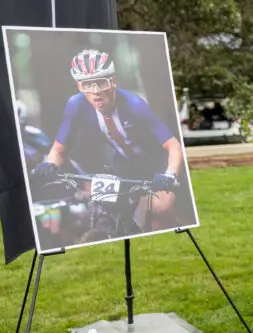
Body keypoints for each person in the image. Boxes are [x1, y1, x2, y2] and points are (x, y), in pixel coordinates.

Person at [33, 48, 185, 231]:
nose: (95, 92)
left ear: (112, 81)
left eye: (101, 83)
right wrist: (50, 164)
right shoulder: (76, 105)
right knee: (105, 210)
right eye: (87, 85)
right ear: (79, 86)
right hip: (123, 164)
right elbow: (58, 150)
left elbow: (174, 146)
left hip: (156, 164)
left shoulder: (134, 105)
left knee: (161, 208)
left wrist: (169, 174)